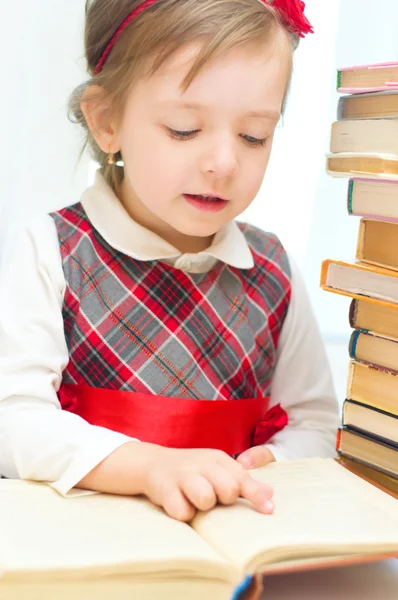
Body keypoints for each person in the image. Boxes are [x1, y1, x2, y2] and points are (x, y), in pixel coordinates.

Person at [0, 0, 339, 523]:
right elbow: (13, 420)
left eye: (254, 136)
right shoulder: (54, 250)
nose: (224, 163)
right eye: (184, 129)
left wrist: (275, 459)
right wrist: (150, 466)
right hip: (86, 546)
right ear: (107, 120)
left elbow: (315, 422)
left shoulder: (272, 271)